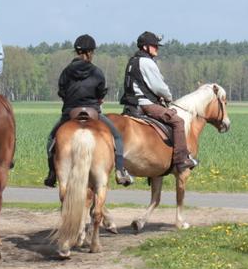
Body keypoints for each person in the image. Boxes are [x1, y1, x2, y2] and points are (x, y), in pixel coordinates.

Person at [44, 34, 133, 187]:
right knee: (117, 138)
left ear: (76, 52)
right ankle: (120, 171)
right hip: (93, 112)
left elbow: (62, 92)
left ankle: (52, 173)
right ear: (90, 52)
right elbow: (100, 94)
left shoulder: (66, 72)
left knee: (51, 139)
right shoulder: (97, 72)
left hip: (70, 113)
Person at [119, 31, 196, 172]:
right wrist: (168, 97)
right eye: (154, 46)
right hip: (145, 105)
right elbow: (159, 87)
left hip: (130, 104)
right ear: (145, 47)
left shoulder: (133, 60)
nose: (157, 48)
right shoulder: (147, 62)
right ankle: (181, 159)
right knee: (178, 122)